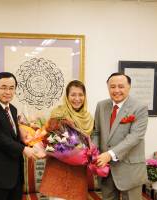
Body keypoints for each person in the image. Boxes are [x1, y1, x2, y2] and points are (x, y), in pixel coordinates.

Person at [0, 72, 42, 200]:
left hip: (15, 175)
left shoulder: (12, 109)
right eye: (3, 87)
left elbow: (13, 136)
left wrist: (31, 138)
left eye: (11, 88)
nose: (8, 91)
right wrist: (24, 149)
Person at [94, 72, 148, 200]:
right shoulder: (101, 106)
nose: (116, 90)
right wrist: (95, 152)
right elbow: (96, 131)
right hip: (106, 169)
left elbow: (135, 137)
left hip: (130, 170)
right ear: (108, 87)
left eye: (121, 86)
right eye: (112, 87)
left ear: (129, 87)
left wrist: (109, 154)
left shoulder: (139, 107)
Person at [39, 80, 94, 200]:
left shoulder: (88, 118)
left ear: (85, 97)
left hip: (78, 173)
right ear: (67, 96)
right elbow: (50, 141)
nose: (77, 98)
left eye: (80, 95)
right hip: (58, 170)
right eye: (73, 95)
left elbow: (90, 144)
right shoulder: (58, 113)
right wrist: (68, 148)